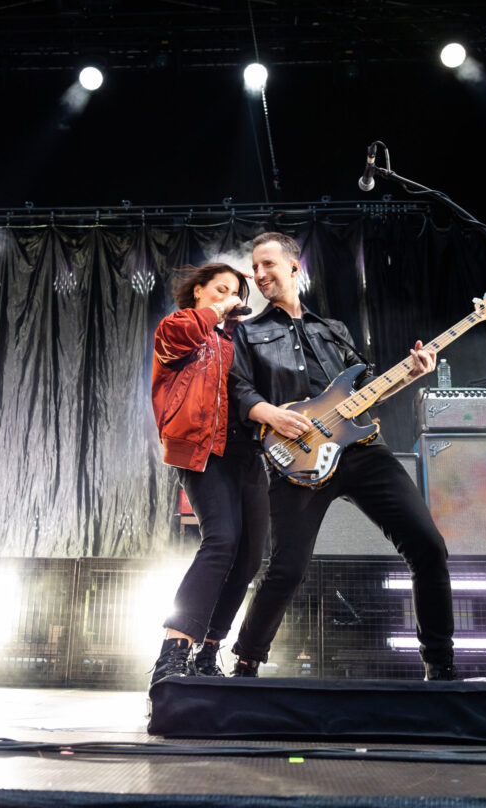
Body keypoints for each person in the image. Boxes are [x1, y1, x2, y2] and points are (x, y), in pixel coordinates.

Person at [228, 232, 455, 680]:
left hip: (361, 451)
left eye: (267, 264)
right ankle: (246, 662)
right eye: (254, 267)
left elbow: (367, 391)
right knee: (287, 568)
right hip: (296, 458)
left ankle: (440, 665)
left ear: (294, 267)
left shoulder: (332, 330)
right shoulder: (247, 332)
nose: (258, 274)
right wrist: (270, 414)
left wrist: (412, 373)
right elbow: (237, 387)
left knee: (428, 547)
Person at [150, 262, 269, 685]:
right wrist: (218, 310)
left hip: (247, 454)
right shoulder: (180, 325)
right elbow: (177, 340)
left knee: (250, 557)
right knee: (221, 541)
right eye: (220, 289)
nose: (230, 298)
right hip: (203, 451)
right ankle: (174, 650)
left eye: (235, 293)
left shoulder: (239, 340)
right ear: (198, 290)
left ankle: (208, 650)